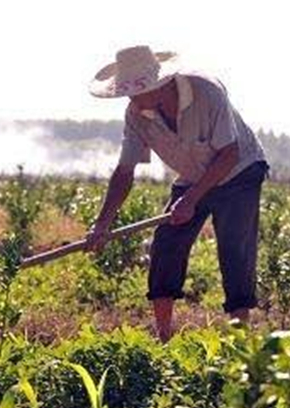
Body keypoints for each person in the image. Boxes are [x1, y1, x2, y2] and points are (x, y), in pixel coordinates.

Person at [85, 45, 269, 342]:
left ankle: (242, 342)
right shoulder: (136, 115)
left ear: (161, 83)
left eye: (138, 90)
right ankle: (164, 336)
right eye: (128, 92)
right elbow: (124, 171)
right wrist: (102, 222)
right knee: (166, 244)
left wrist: (192, 199)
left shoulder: (207, 92)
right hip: (193, 175)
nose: (132, 98)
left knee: (235, 249)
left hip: (239, 171)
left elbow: (229, 154)